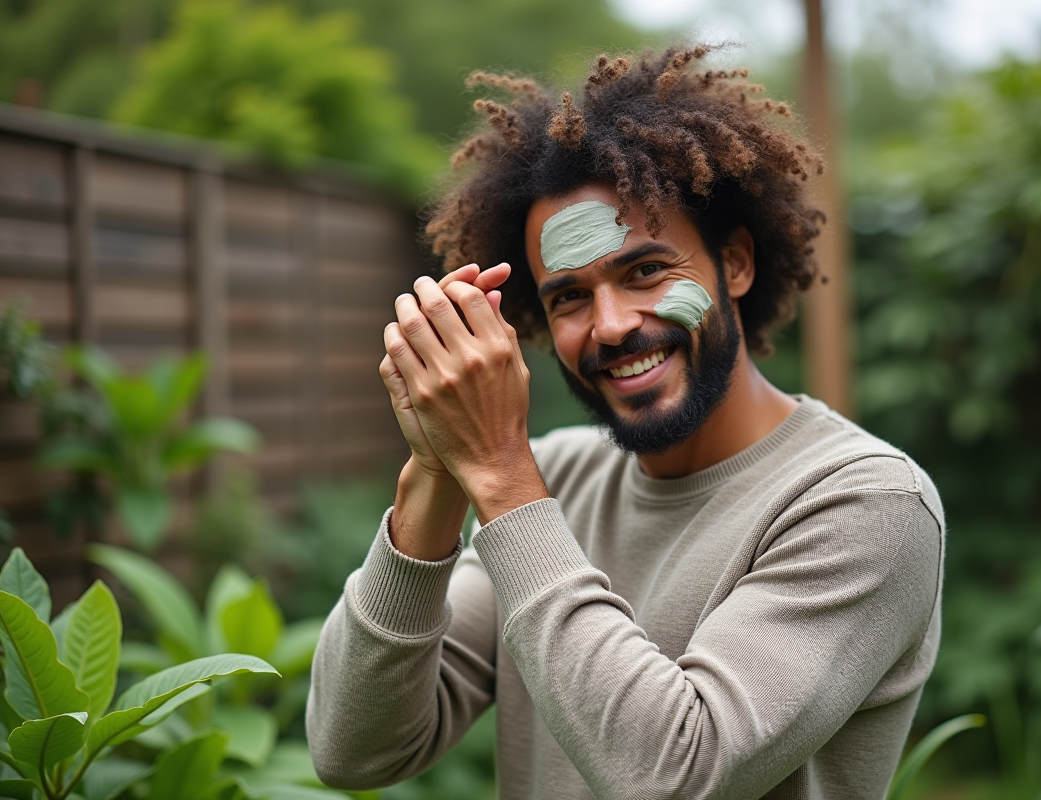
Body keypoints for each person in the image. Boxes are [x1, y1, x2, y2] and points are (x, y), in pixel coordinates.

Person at [307, 44, 944, 800]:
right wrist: (440, 466)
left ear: (734, 264)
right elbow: (354, 749)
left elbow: (675, 774)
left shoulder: (865, 502)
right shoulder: (558, 482)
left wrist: (502, 474)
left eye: (645, 271)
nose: (609, 326)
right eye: (569, 297)